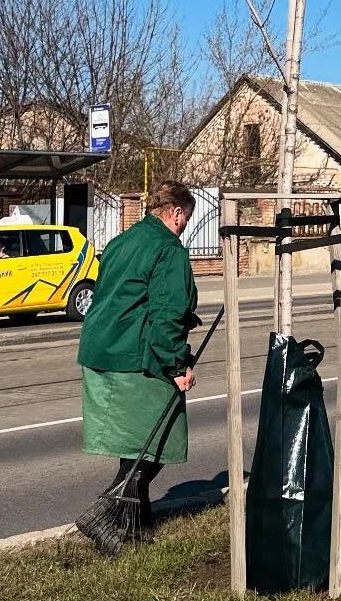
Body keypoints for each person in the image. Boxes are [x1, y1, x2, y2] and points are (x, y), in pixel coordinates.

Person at [76, 180, 200, 539]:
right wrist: (178, 365)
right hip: (135, 354)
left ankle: (135, 524)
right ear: (175, 213)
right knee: (160, 437)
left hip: (103, 348)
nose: (185, 227)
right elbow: (166, 314)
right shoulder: (168, 249)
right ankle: (108, 510)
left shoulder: (121, 242)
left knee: (136, 440)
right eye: (186, 220)